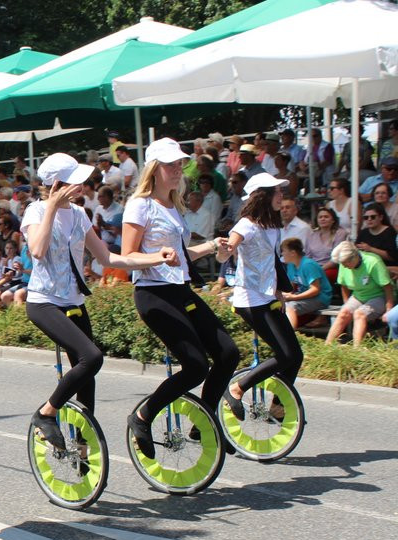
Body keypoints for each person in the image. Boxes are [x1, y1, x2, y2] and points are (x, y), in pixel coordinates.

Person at [22, 154, 175, 450]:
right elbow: (37, 251)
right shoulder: (36, 211)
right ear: (57, 184)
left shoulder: (80, 214)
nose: (83, 184)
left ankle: (81, 445)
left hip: (74, 300)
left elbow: (107, 258)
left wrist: (156, 258)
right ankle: (46, 413)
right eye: (75, 179)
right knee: (92, 357)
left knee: (87, 378)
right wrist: (52, 208)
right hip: (44, 302)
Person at [120, 138, 237, 459]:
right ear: (154, 169)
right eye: (170, 165)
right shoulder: (140, 204)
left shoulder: (175, 203)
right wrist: (158, 256)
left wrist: (214, 246)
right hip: (153, 293)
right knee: (197, 366)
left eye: (179, 164)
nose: (177, 170)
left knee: (228, 353)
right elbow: (127, 256)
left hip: (180, 288)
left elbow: (182, 255)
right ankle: (143, 415)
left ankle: (204, 422)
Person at [220, 174, 302, 420]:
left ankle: (277, 406)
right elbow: (231, 245)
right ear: (263, 195)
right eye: (277, 192)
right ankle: (236, 389)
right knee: (285, 354)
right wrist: (226, 249)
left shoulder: (273, 226)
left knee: (295, 356)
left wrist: (280, 293)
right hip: (249, 301)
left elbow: (273, 261)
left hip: (268, 298)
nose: (281, 196)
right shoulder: (247, 224)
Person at [326, 240, 394, 346]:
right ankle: (327, 346)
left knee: (359, 314)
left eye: (345, 263)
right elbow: (343, 285)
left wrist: (389, 309)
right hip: (358, 295)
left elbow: (387, 287)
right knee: (343, 313)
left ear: (354, 257)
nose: (343, 266)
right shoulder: (344, 263)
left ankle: (357, 349)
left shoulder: (373, 261)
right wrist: (346, 304)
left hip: (378, 296)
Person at [281, 238, 332, 328]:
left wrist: (294, 297)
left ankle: (290, 335)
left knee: (290, 307)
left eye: (284, 251)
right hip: (304, 296)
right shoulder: (291, 265)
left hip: (320, 298)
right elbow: (291, 287)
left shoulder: (308, 265)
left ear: (293, 253)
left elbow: (315, 290)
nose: (282, 254)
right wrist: (284, 295)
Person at [304, 206, 347, 283]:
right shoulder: (311, 235)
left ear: (333, 220)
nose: (322, 219)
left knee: (317, 277)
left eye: (326, 217)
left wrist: (319, 270)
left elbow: (335, 259)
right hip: (314, 267)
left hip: (331, 268)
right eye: (320, 217)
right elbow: (308, 256)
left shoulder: (340, 233)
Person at [354, 202, 398, 266]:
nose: (369, 219)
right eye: (366, 217)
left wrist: (371, 249)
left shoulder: (389, 232)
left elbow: (392, 257)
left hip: (386, 267)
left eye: (373, 217)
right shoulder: (363, 232)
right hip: (366, 266)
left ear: (381, 217)